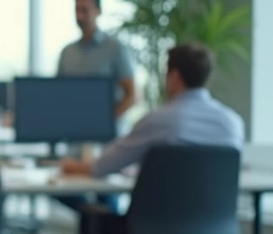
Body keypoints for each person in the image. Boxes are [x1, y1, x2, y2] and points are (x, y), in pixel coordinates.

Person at [60, 43, 243, 179]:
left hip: (158, 224)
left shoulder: (160, 120)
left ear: (174, 77)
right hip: (217, 227)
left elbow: (105, 166)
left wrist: (72, 166)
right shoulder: (233, 124)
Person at [58, 0, 136, 117]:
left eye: (85, 10)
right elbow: (58, 93)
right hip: (74, 132)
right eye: (77, 10)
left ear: (98, 11)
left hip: (108, 135)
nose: (80, 16)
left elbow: (132, 95)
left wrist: (106, 121)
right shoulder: (67, 52)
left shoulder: (115, 48)